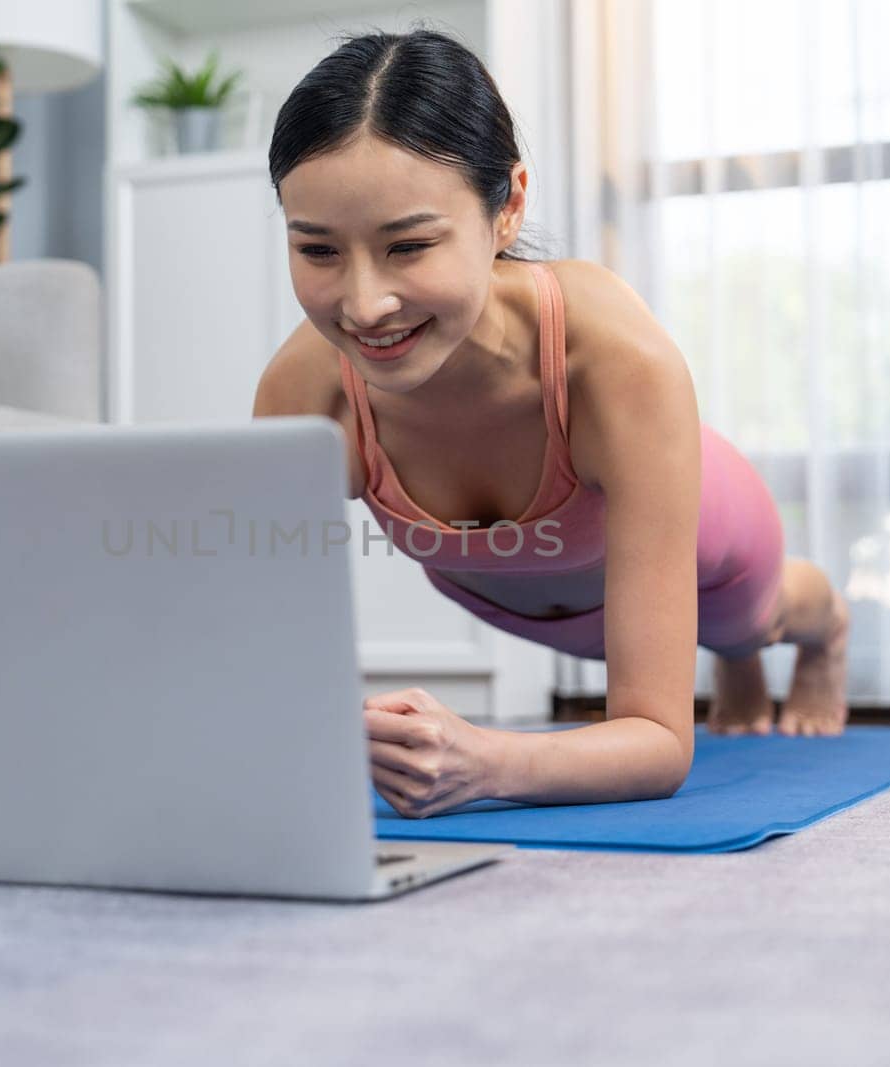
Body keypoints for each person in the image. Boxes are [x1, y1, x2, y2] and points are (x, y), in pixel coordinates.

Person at [251, 28, 851, 819]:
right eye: (319, 250)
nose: (363, 306)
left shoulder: (616, 363)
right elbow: (259, 638)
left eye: (410, 246)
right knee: (667, 643)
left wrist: (486, 759)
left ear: (509, 208)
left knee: (751, 618)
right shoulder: (307, 391)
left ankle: (817, 632)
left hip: (711, 542)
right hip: (528, 593)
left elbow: (660, 743)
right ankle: (727, 659)